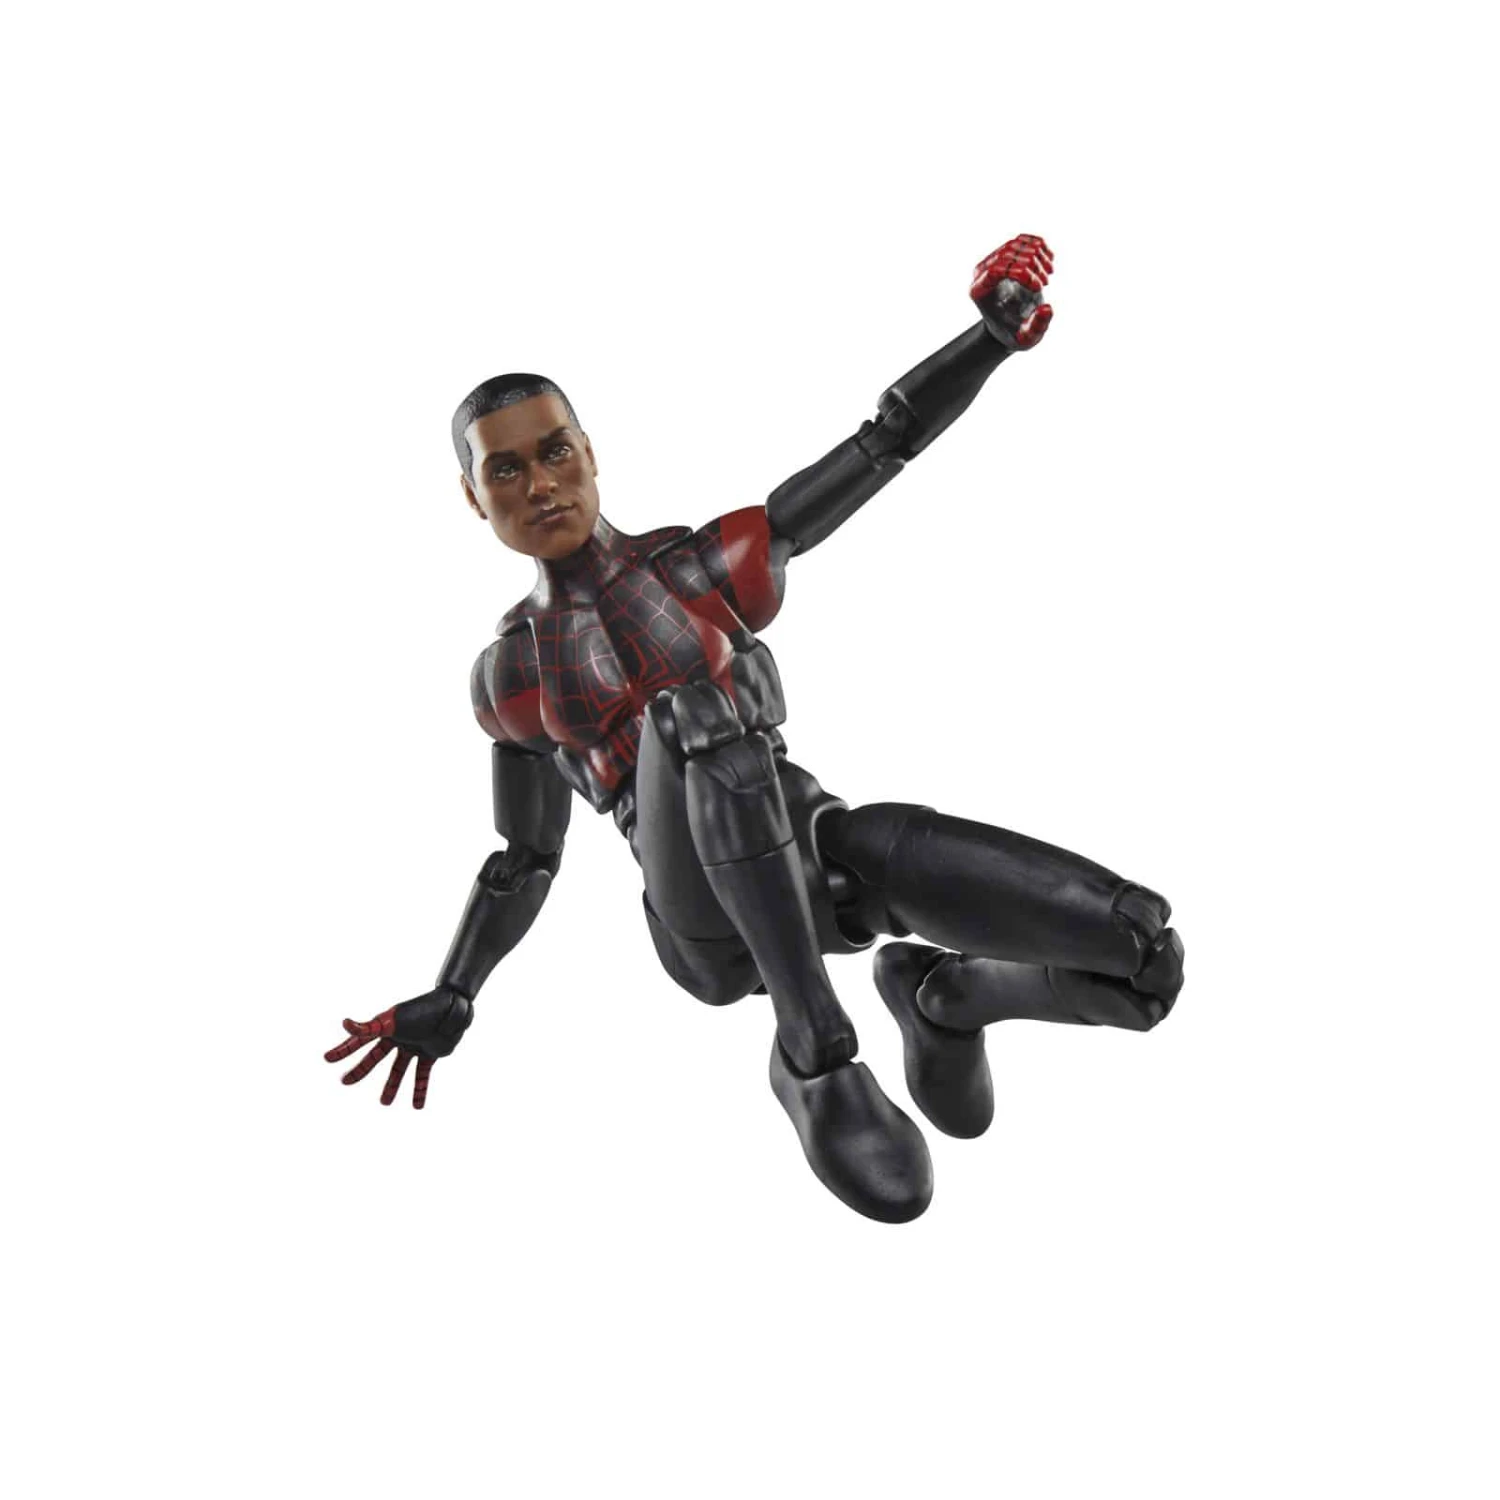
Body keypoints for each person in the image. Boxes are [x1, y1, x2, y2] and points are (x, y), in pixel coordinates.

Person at [324, 236, 1184, 1223]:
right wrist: (458, 990)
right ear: (475, 498)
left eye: (554, 451)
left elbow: (881, 444)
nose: (540, 485)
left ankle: (947, 1001)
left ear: (591, 453)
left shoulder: (697, 570)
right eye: (505, 470)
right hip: (705, 927)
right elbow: (523, 859)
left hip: (817, 853)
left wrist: (989, 338)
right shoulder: (512, 675)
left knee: (1142, 954)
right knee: (692, 716)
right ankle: (816, 1054)